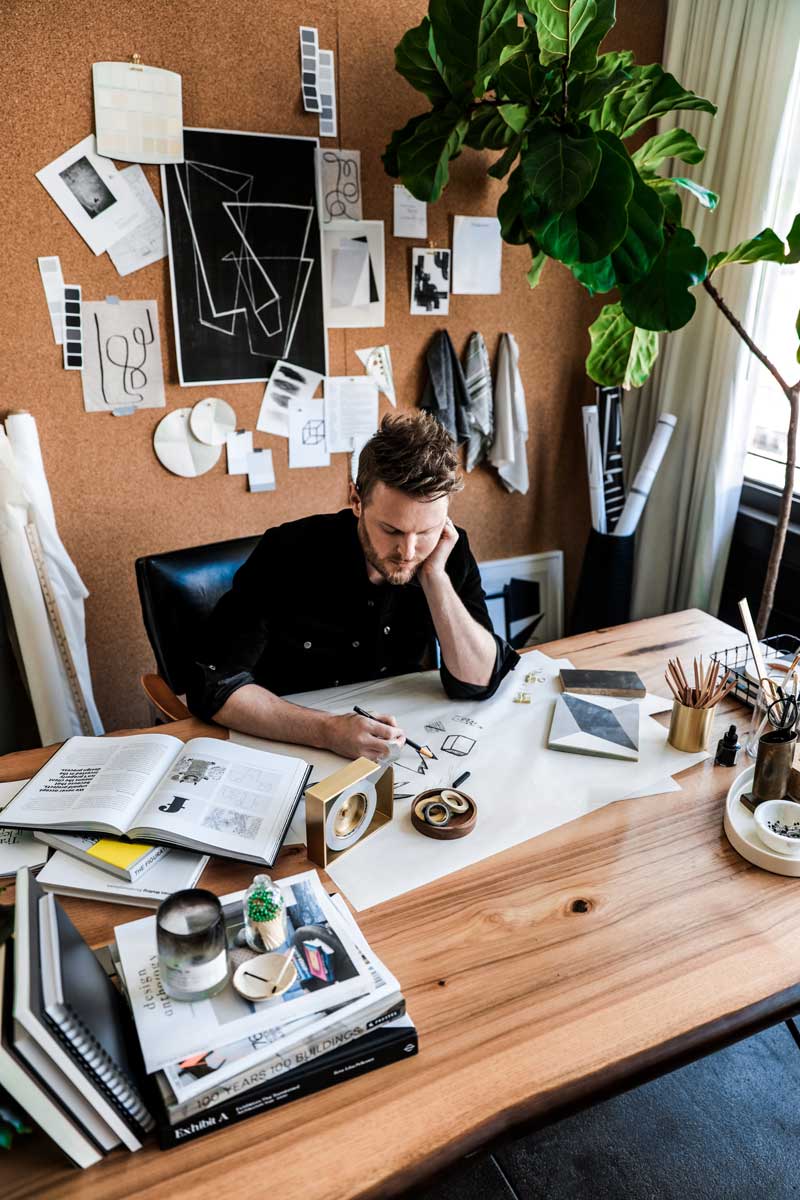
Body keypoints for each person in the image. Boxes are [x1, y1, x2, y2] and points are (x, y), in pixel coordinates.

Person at [186, 412, 519, 760]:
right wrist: (327, 731)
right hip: (288, 740)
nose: (408, 552)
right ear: (357, 501)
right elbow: (214, 686)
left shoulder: (447, 551)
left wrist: (435, 577)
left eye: (425, 532)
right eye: (392, 530)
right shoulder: (287, 551)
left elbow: (478, 682)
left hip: (402, 738)